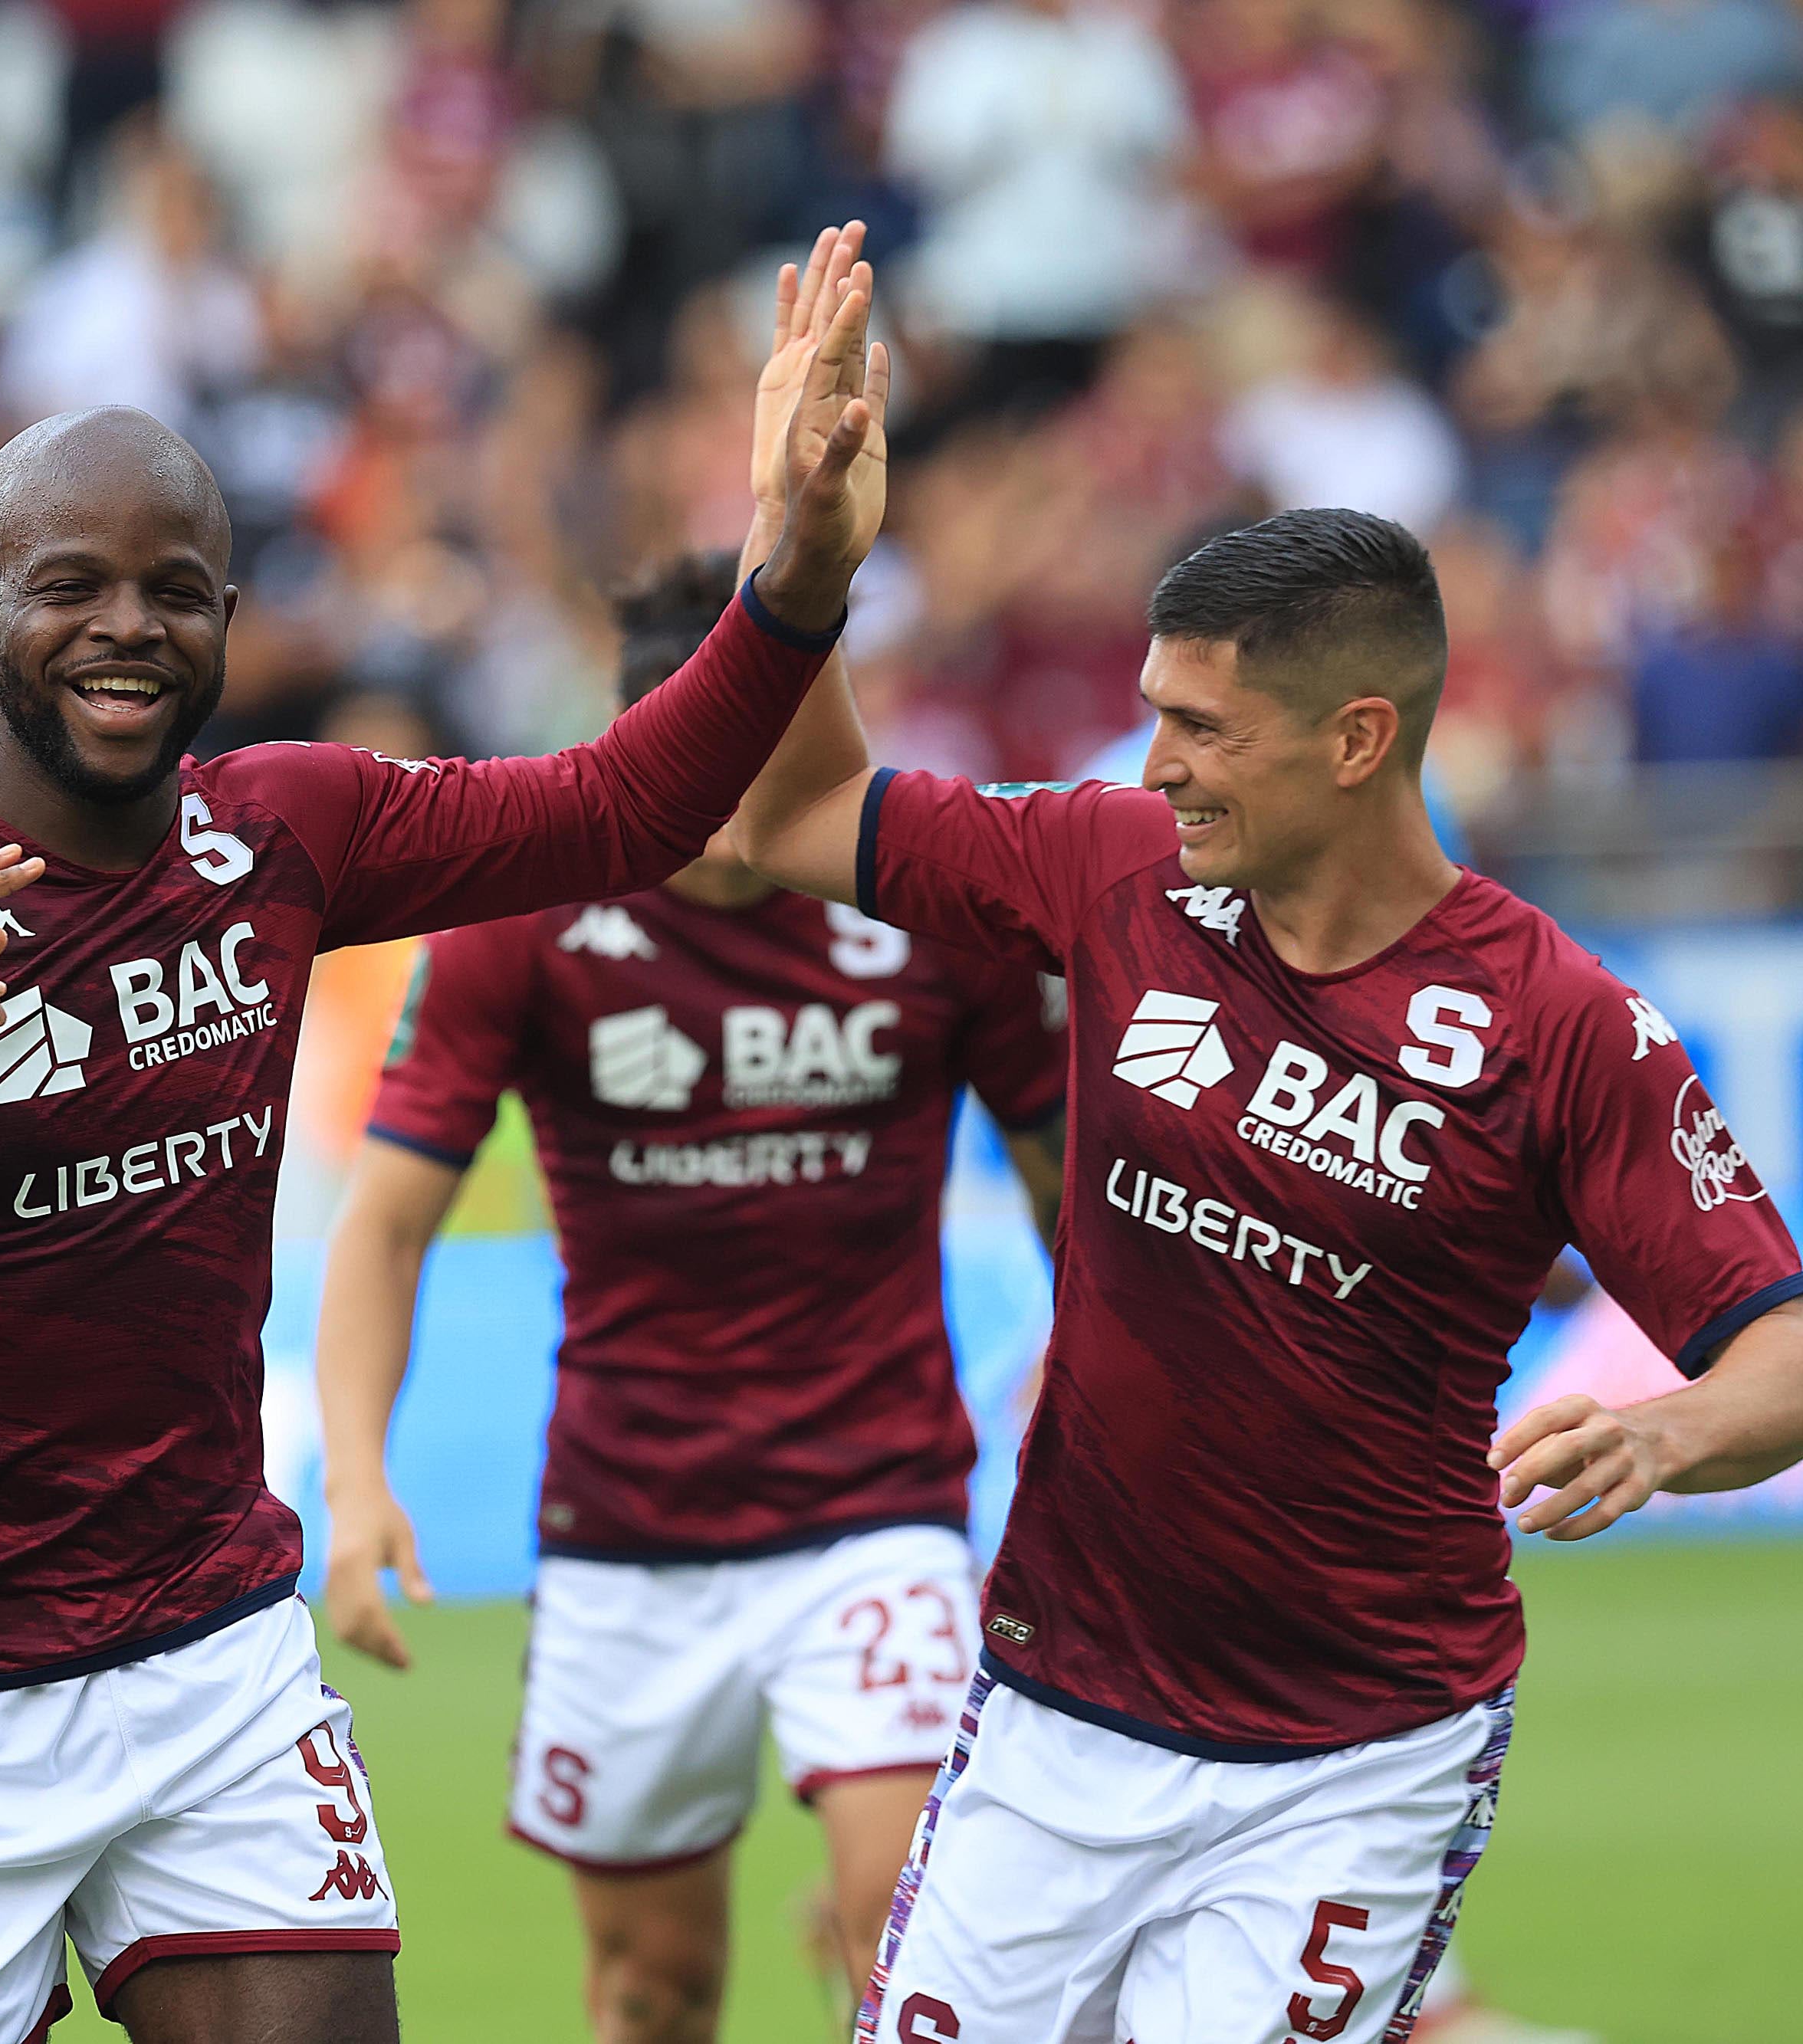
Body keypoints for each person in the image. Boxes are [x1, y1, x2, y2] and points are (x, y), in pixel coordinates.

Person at [0, 263, 891, 2044]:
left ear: (226, 617)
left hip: (209, 1649)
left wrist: (791, 582)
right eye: (70, 587)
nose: (125, 627)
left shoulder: (287, 827)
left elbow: (619, 807)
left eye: (171, 592)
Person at [727, 233, 1803, 2043]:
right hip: (1050, 1716)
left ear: (1357, 738)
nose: (1150, 763)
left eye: (1197, 726)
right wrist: (804, 565)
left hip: (1351, 1758)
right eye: (1150, 713)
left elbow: (1777, 1334)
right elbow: (793, 810)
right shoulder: (1112, 868)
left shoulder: (1557, 1026)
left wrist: (1671, 1421)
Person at [315, 542, 1069, 2039]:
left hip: (877, 1507)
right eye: (700, 770)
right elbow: (385, 1221)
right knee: (652, 1991)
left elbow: (1072, 1196)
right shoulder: (522, 922)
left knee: (905, 1932)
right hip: (626, 1533)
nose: (733, 815)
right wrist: (352, 1481)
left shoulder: (931, 906)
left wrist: (1105, 1398)